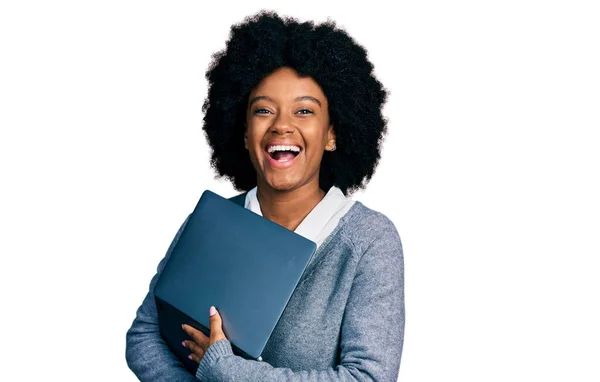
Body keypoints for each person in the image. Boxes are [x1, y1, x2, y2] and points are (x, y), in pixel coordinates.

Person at [126, 10, 404, 381]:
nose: (282, 125)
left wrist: (223, 369)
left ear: (333, 134)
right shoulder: (210, 222)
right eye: (263, 110)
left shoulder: (368, 241)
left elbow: (367, 378)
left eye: (304, 110)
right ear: (243, 133)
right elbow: (144, 335)